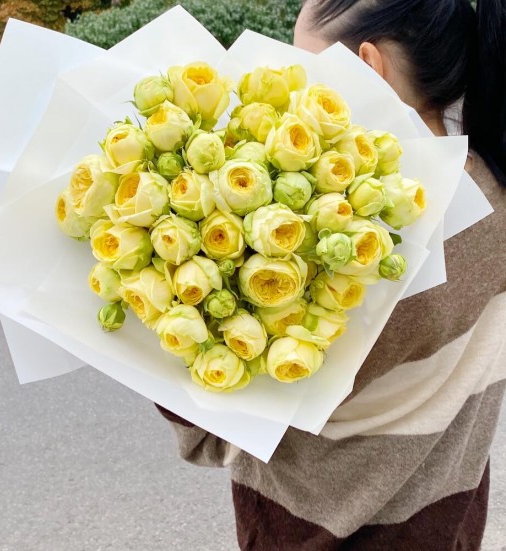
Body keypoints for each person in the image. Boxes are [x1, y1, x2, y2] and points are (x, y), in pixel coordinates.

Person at [157, 0, 506, 548]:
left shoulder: (355, 254)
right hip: (450, 523)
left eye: (306, 65)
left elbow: (219, 434)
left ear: (367, 68)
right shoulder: (492, 195)